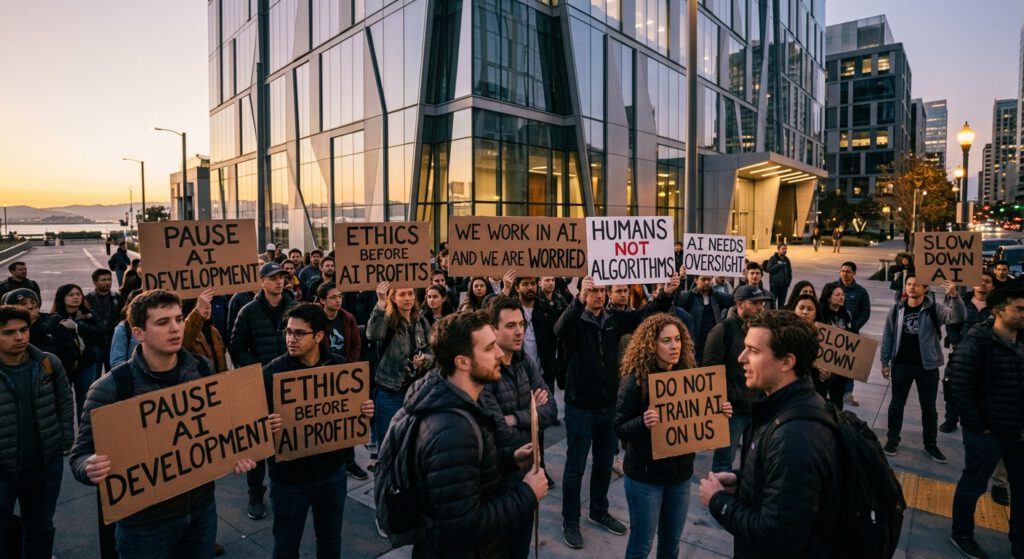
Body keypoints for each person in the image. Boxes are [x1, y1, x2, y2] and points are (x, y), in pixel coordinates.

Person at [70, 290, 258, 559]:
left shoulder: (201, 369)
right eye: (162, 322)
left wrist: (238, 451)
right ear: (138, 333)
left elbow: (218, 426)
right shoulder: (111, 388)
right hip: (144, 525)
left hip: (201, 510)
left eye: (179, 319)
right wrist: (89, 466)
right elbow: (79, 455)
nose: (175, 329)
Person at [402, 311, 547, 557]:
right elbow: (463, 527)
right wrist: (527, 494)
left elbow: (468, 471)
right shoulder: (451, 431)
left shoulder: (465, 401)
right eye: (490, 348)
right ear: (463, 362)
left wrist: (509, 458)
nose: (500, 354)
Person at [699, 311, 842, 557]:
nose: (741, 358)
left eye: (753, 351)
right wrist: (742, 480)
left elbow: (777, 535)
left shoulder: (795, 437)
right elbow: (784, 487)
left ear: (786, 362)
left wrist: (718, 501)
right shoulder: (786, 410)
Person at [554, 274, 681, 549]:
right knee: (575, 468)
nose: (598, 296)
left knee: (603, 465)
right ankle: (570, 521)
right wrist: (577, 300)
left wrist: (665, 294)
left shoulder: (614, 319)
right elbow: (560, 331)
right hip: (579, 407)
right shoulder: (575, 319)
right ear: (585, 293)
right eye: (593, 291)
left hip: (609, 406)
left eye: (602, 291)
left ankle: (598, 511)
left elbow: (645, 316)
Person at [263, 303, 374, 559]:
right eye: (288, 332)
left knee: (330, 541)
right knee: (286, 546)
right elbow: (252, 429)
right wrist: (264, 426)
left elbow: (350, 414)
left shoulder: (339, 367)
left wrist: (363, 410)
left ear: (319, 336)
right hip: (289, 480)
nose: (291, 338)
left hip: (331, 474)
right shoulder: (272, 373)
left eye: (299, 333)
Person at [616, 313, 732, 559]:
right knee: (641, 546)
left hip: (680, 478)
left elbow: (697, 420)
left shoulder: (689, 377)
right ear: (651, 345)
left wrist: (718, 412)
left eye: (677, 339)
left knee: (670, 546)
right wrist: (643, 422)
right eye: (666, 340)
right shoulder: (636, 381)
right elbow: (620, 426)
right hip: (645, 480)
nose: (674, 346)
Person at [946, 289, 1024, 559]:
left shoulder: (1021, 341)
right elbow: (959, 385)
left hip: (1017, 432)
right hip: (987, 434)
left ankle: (1020, 543)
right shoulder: (977, 341)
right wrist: (978, 426)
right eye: (1019, 309)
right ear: (998, 311)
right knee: (973, 485)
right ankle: (962, 533)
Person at [478, 297, 557, 558]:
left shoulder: (525, 362)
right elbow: (498, 430)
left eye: (522, 324)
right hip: (498, 482)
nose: (519, 331)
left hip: (528, 474)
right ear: (493, 329)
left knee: (521, 549)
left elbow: (551, 409)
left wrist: (517, 417)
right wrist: (532, 413)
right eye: (511, 325)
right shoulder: (486, 372)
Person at [0, 305, 74, 559]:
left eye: (23, 330)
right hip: (3, 470)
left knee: (41, 528)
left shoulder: (47, 363)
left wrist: (64, 439)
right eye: (8, 332)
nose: (19, 337)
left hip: (45, 464)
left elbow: (65, 401)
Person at [229, 262, 296, 520]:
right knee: (258, 443)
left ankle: (284, 490)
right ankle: (255, 494)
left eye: (282, 277)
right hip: (258, 386)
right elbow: (236, 347)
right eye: (273, 277)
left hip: (289, 385)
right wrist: (257, 371)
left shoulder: (294, 307)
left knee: (285, 439)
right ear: (262, 281)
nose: (279, 282)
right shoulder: (248, 311)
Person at [879, 276, 966, 463]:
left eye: (916, 284)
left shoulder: (935, 309)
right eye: (909, 284)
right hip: (901, 365)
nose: (911, 287)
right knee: (896, 404)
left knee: (929, 408)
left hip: (927, 366)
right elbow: (888, 335)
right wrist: (885, 361)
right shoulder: (896, 309)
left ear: (925, 288)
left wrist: (954, 296)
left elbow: (958, 317)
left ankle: (931, 445)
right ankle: (892, 440)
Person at [703, 284, 771, 473]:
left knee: (753, 461)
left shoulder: (763, 330)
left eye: (762, 303)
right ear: (739, 304)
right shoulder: (723, 330)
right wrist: (723, 400)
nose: (760, 307)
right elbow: (710, 369)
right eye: (755, 303)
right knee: (724, 462)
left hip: (757, 406)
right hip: (732, 410)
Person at [367, 281, 434, 463]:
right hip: (390, 391)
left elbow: (431, 349)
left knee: (414, 442)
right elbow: (372, 334)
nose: (407, 298)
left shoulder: (421, 320)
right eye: (402, 294)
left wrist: (425, 360)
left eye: (410, 293)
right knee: (389, 444)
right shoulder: (387, 319)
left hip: (417, 391)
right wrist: (380, 303)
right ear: (394, 298)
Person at [315, 281, 368, 481]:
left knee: (348, 417)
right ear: (322, 300)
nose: (338, 300)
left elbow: (356, 345)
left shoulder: (348, 318)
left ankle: (350, 461)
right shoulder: (315, 319)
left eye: (340, 296)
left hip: (345, 375)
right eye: (333, 297)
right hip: (321, 375)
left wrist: (350, 368)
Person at [940, 271, 995, 434]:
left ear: (993, 285)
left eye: (987, 281)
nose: (983, 283)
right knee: (953, 386)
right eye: (980, 279)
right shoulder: (962, 301)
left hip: (987, 355)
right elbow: (951, 324)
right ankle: (951, 419)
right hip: (961, 354)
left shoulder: (997, 306)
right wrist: (958, 344)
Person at [50, 283, 101, 421]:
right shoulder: (55, 318)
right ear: (62, 298)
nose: (76, 297)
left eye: (78, 294)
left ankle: (84, 435)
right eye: (71, 295)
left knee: (85, 401)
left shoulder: (89, 314)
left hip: (87, 364)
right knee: (63, 402)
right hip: (65, 367)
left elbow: (100, 334)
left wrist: (79, 324)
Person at [674, 275, 734, 364]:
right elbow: (676, 299)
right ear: (695, 280)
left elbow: (735, 298)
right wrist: (682, 279)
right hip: (694, 344)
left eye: (709, 279)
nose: (706, 282)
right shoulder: (688, 296)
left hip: (713, 343)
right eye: (703, 279)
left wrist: (744, 280)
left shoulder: (717, 296)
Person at [815, 282, 854, 409]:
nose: (841, 297)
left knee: (837, 400)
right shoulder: (819, 314)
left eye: (843, 294)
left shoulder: (846, 314)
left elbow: (852, 338)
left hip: (840, 366)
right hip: (824, 367)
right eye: (837, 295)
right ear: (828, 297)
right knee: (820, 400)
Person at [838, 261, 871, 407]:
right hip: (835, 332)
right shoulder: (833, 288)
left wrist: (855, 326)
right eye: (843, 271)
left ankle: (848, 392)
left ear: (854, 273)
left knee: (848, 364)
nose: (845, 273)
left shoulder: (861, 291)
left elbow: (865, 312)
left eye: (848, 271)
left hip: (852, 333)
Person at [85, 268, 125, 372]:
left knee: (113, 374)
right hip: (95, 345)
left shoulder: (118, 298)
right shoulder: (87, 300)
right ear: (95, 282)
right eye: (103, 280)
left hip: (113, 343)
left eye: (109, 279)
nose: (107, 282)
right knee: (94, 376)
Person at [183, 289, 228, 373]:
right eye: (202, 305)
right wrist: (197, 314)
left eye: (209, 303)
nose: (208, 307)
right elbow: (184, 343)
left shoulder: (213, 331)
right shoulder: (186, 333)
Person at [3, 288, 57, 354]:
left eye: (33, 302)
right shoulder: (4, 327)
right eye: (23, 303)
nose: (30, 306)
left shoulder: (54, 324)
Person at [765, 243, 793, 307]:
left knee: (781, 305)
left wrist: (788, 282)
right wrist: (778, 265)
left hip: (784, 287)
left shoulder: (787, 260)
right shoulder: (773, 259)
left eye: (786, 249)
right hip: (775, 286)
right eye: (783, 249)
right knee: (772, 304)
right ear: (778, 249)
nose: (784, 250)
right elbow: (768, 269)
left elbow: (789, 272)